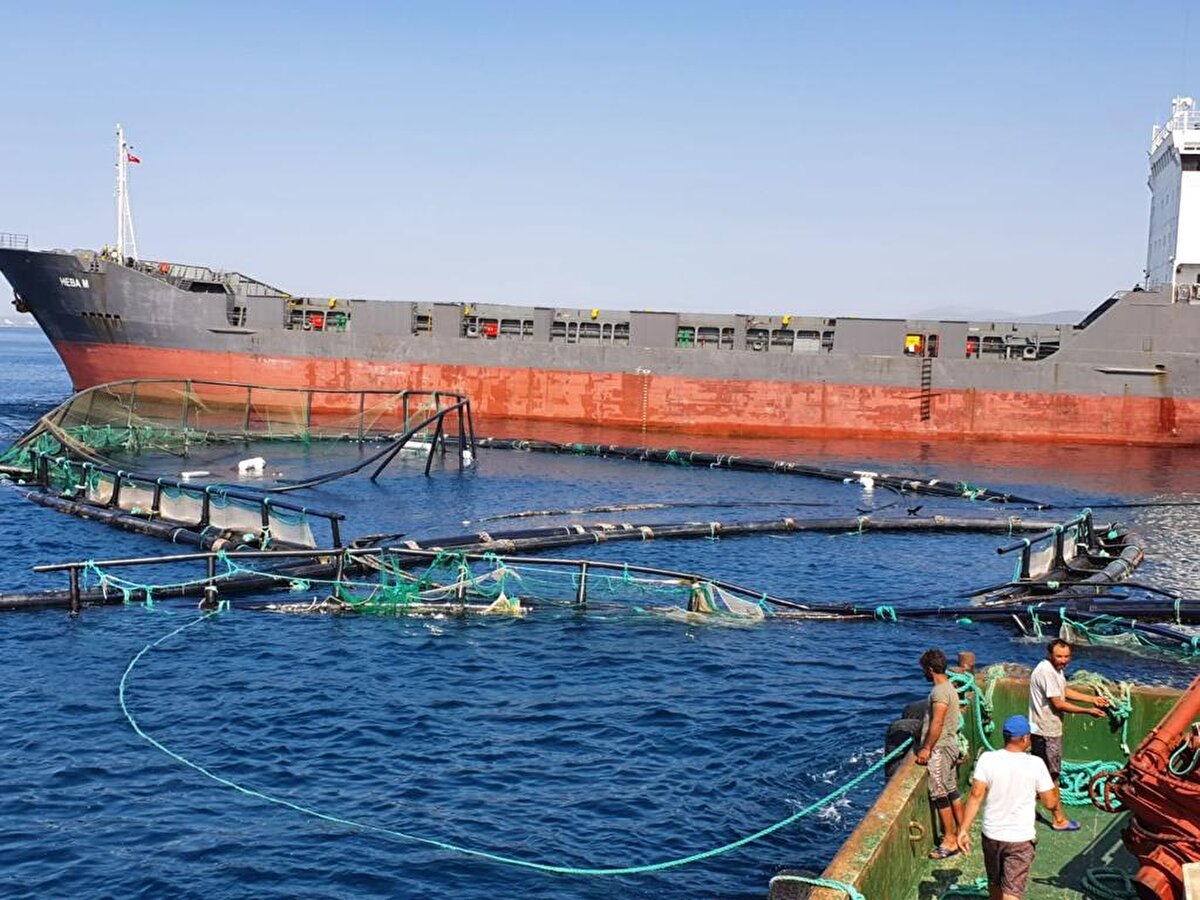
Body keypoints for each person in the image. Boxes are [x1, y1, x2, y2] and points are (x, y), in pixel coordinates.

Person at [957, 715, 1059, 900]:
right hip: (1019, 839)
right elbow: (1050, 803)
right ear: (1025, 739)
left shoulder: (987, 759)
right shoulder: (1036, 764)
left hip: (991, 835)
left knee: (995, 883)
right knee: (1012, 892)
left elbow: (975, 796)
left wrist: (963, 830)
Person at [1028, 639, 1110, 830]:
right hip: (1046, 731)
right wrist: (1088, 711)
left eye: (1066, 656)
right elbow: (1059, 703)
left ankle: (1027, 811)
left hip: (1045, 730)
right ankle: (1058, 819)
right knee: (1051, 777)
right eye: (1059, 656)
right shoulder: (1046, 672)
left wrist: (1092, 699)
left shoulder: (1055, 669)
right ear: (1050, 655)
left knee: (1040, 775)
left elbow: (1063, 691)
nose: (1063, 660)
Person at [916, 648, 965, 858]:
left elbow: (937, 722)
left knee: (939, 793)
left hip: (940, 748)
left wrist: (926, 748)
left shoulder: (939, 692)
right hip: (951, 745)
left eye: (923, 670)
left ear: (929, 669)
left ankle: (950, 839)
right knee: (952, 789)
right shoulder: (949, 687)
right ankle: (962, 830)